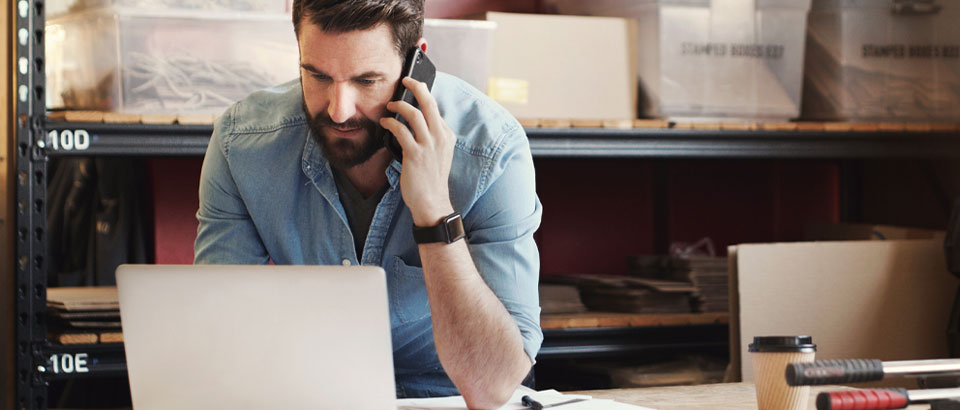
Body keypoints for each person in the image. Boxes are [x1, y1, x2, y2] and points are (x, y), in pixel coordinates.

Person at [193, 0, 543, 408]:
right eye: (318, 75)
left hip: (447, 397)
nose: (339, 109)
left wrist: (434, 214)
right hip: (307, 393)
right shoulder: (242, 145)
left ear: (416, 65)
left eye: (367, 80)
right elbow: (217, 342)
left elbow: (490, 386)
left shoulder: (490, 152)